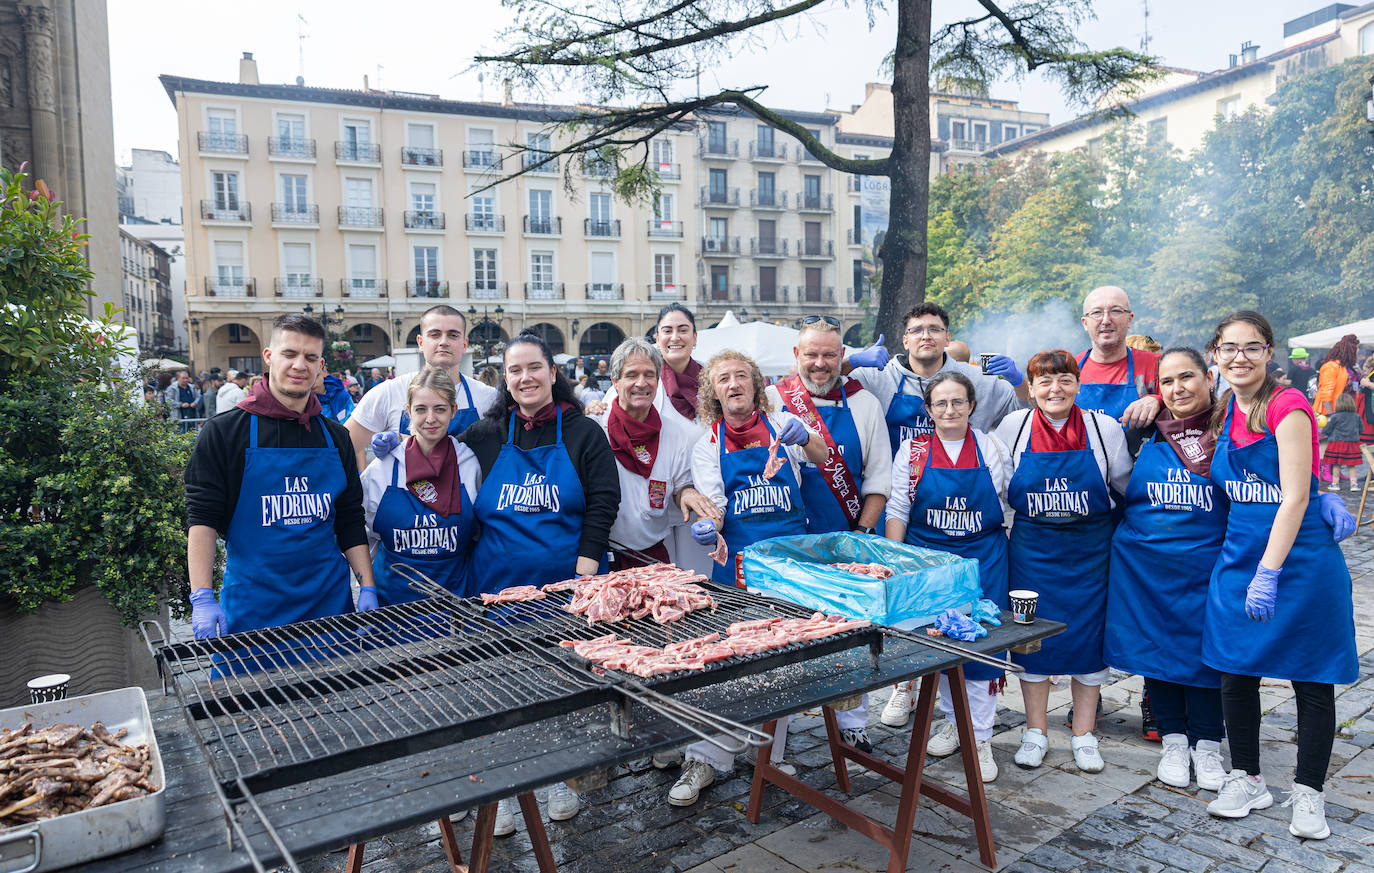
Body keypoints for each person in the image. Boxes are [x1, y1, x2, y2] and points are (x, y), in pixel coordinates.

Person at [1200, 311, 1358, 840]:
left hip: (1299, 563)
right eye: (1229, 347)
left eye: (1251, 346)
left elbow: (1292, 497)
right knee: (1235, 671)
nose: (1239, 356)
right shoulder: (1226, 410)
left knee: (1311, 679)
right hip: (1240, 552)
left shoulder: (1286, 405)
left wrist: (1269, 571)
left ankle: (1308, 793)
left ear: (1269, 353)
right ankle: (1247, 778)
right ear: (1215, 355)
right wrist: (1326, 485)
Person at [459, 330, 619, 829]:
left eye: (534, 367)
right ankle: (506, 790)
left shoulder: (583, 433)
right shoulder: (486, 435)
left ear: (553, 373)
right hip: (497, 589)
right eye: (514, 370)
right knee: (502, 689)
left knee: (564, 688)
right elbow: (439, 467)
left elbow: (603, 501)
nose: (525, 377)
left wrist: (583, 575)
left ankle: (563, 778)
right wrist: (397, 448)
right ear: (504, 380)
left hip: (566, 590)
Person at [666, 351, 824, 808]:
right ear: (713, 392)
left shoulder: (783, 425)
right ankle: (703, 757)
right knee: (728, 662)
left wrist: (805, 434)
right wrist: (706, 529)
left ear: (755, 384)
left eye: (741, 376)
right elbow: (713, 506)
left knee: (785, 657)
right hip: (738, 565)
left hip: (792, 564)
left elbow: (820, 455)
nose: (733, 384)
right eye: (723, 379)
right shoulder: (707, 443)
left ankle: (767, 754)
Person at [184, 314, 379, 639]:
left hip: (329, 609)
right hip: (253, 613)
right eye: (290, 353)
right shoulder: (224, 433)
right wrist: (202, 596)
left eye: (311, 357)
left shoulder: (336, 437)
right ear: (269, 356)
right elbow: (201, 519)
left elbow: (349, 520)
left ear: (320, 366)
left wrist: (368, 587)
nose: (299, 365)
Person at [993, 350, 1132, 774]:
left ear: (1078, 384)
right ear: (1030, 388)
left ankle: (1084, 734)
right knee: (1032, 641)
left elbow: (1124, 484)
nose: (1056, 389)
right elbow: (997, 485)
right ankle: (1035, 731)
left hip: (1091, 551)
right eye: (1045, 381)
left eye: (1065, 380)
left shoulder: (1101, 427)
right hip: (1033, 550)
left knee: (1089, 642)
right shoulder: (1013, 427)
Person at [764, 315, 891, 753]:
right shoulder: (772, 399)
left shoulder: (865, 404)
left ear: (843, 356)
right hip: (786, 543)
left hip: (846, 542)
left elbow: (878, 481)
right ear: (796, 356)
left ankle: (853, 722)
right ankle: (774, 739)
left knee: (854, 633)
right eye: (811, 354)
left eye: (828, 355)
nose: (820, 364)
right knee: (780, 640)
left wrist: (862, 534)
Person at [1104, 347, 1228, 791]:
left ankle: (1209, 745)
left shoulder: (1231, 427)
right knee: (1156, 652)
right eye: (1167, 382)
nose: (1178, 389)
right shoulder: (1143, 433)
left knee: (1206, 655)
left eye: (1187, 377)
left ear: (1209, 378)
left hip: (1207, 565)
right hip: (1146, 568)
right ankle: (1174, 740)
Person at [883, 371, 1011, 783]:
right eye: (941, 403)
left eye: (958, 402)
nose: (950, 410)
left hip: (982, 559)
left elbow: (1006, 505)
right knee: (936, 646)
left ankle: (982, 736)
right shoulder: (912, 450)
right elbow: (899, 509)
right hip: (930, 564)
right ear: (929, 409)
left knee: (984, 650)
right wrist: (896, 562)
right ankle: (953, 721)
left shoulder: (990, 446)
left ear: (972, 406)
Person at [591, 303, 714, 575]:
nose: (641, 382)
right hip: (605, 550)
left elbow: (682, 481)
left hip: (669, 532)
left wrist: (689, 491)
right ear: (614, 381)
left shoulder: (713, 380)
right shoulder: (596, 429)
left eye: (649, 375)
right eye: (632, 375)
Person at [362, 367, 481, 605]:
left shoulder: (469, 463)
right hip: (391, 609)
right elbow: (365, 538)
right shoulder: (384, 467)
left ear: (453, 411)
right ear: (408, 411)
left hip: (456, 607)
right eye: (420, 409)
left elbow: (479, 533)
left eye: (440, 409)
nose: (430, 418)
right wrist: (366, 587)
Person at [849, 302, 1024, 453]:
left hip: (962, 483)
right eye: (917, 330)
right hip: (898, 486)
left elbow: (1026, 414)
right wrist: (850, 362)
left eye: (934, 329)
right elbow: (825, 386)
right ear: (906, 341)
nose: (926, 336)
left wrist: (1018, 381)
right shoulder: (878, 377)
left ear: (947, 338)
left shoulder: (980, 380)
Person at [347, 305, 499, 470]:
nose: (443, 342)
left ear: (464, 344)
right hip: (405, 494)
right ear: (420, 342)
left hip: (467, 493)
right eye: (435, 335)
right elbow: (341, 449)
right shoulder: (390, 392)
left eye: (452, 335)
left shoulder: (488, 397)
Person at [1076, 286, 1160, 429]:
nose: (1106, 320)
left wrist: (1158, 400)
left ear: (1129, 319)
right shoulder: (1067, 368)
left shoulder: (1156, 365)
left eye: (1115, 311)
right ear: (1085, 323)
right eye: (1097, 312)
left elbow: (1191, 400)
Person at [1320, 393, 1362, 492]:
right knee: (1351, 465)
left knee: (1336, 464)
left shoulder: (1335, 417)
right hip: (1352, 444)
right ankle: (1354, 485)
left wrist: (1324, 431)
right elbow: (1361, 429)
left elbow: (1327, 429)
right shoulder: (1356, 416)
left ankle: (1335, 484)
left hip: (1337, 443)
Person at [1313, 333, 1359, 418]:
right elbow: (1326, 394)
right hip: (1329, 414)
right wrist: (1331, 416)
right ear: (1351, 350)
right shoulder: (1331, 366)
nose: (1358, 351)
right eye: (1356, 348)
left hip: (1345, 414)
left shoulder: (1348, 368)